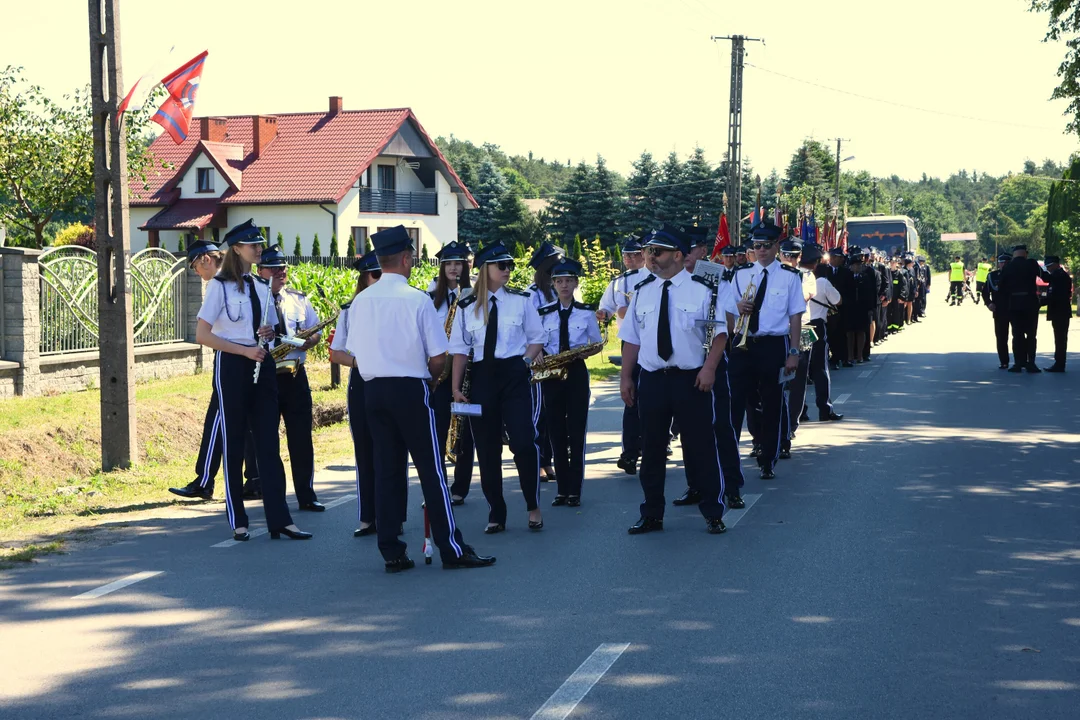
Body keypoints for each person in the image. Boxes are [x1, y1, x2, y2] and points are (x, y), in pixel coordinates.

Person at [346, 226, 494, 572]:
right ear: (406, 258)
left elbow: (351, 350)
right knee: (431, 469)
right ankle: (451, 548)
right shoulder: (417, 299)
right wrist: (429, 380)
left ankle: (392, 550)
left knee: (386, 470)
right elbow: (439, 356)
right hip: (411, 388)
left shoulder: (360, 301)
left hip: (372, 390)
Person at [193, 219, 309, 542]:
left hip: (262, 365)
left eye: (259, 244)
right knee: (233, 442)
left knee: (269, 445)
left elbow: (268, 330)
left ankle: (280, 520)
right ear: (237, 249)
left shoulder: (261, 287)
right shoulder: (219, 286)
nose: (259, 249)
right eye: (253, 245)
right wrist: (242, 351)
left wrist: (267, 335)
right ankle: (239, 519)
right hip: (232, 365)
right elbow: (203, 334)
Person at [619, 225, 729, 535]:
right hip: (653, 379)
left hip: (690, 379)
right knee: (652, 448)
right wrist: (626, 377)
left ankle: (713, 511)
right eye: (649, 251)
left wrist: (709, 369)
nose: (650, 257)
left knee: (701, 446)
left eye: (658, 251)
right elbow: (631, 340)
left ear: (677, 255)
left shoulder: (702, 289)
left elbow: (719, 334)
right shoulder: (642, 292)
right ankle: (652, 513)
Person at [450, 242, 546, 534]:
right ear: (485, 269)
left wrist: (526, 362)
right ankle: (497, 512)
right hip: (482, 377)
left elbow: (537, 337)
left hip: (514, 375)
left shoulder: (521, 300)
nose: (507, 270)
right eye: (501, 265)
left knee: (524, 442)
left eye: (509, 266)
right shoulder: (466, 306)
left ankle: (532, 504)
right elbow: (459, 350)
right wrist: (455, 388)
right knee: (487, 449)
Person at [169, 240, 261, 501]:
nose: (196, 272)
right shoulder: (242, 280)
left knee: (218, 419)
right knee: (246, 422)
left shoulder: (218, 285)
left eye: (195, 266)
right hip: (250, 358)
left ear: (206, 259)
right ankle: (254, 478)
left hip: (232, 360)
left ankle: (205, 479)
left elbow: (203, 334)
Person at [725, 222, 807, 480]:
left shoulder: (790, 276)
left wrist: (793, 352)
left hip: (774, 344)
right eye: (756, 246)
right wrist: (738, 306)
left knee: (772, 403)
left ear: (776, 247)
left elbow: (795, 317)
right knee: (735, 403)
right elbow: (728, 311)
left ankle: (768, 458)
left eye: (766, 246)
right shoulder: (740, 274)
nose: (760, 250)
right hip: (743, 342)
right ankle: (729, 460)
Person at [330, 253, 401, 538]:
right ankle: (367, 517)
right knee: (364, 449)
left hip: (394, 381)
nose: (377, 280)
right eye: (373, 275)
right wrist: (362, 363)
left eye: (381, 274)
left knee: (392, 450)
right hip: (362, 381)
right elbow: (336, 353)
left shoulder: (397, 306)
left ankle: (393, 517)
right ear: (363, 278)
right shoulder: (351, 310)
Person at [256, 245, 324, 512]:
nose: (280, 272)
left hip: (295, 374)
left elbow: (315, 331)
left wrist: (309, 341)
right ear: (260, 271)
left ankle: (306, 495)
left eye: (283, 267)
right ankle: (275, 498)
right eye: (273, 267)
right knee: (268, 441)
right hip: (266, 376)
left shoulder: (299, 299)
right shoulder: (253, 300)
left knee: (301, 439)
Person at [538, 259, 603, 506]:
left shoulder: (586, 312)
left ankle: (574, 490)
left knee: (576, 431)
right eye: (559, 281)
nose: (564, 285)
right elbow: (535, 341)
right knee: (555, 431)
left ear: (575, 283)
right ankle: (561, 489)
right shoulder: (543, 313)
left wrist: (582, 353)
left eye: (568, 281)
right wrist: (539, 353)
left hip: (575, 371)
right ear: (553, 284)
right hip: (552, 373)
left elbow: (595, 343)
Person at [427, 241, 477, 506]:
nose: (454, 268)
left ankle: (460, 487)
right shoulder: (429, 295)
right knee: (436, 431)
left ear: (466, 266)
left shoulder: (474, 293)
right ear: (442, 266)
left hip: (468, 370)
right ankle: (438, 487)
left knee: (465, 432)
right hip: (438, 373)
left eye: (458, 263)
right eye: (449, 263)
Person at [597, 236, 650, 475]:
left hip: (653, 342)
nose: (629, 259)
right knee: (631, 398)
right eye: (626, 255)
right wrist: (604, 313)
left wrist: (628, 310)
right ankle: (629, 453)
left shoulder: (655, 278)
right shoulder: (619, 282)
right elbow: (607, 307)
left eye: (634, 255)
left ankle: (655, 445)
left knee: (653, 399)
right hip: (629, 343)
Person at [526, 240, 562, 483]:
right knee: (538, 414)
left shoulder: (560, 289)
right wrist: (535, 351)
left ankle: (550, 461)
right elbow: (528, 327)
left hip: (559, 357)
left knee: (555, 414)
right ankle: (538, 462)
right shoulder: (531, 293)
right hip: (540, 358)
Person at [999, 245, 1045, 372]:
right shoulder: (1032, 264)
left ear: (1014, 255)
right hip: (1030, 304)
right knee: (1031, 335)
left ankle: (1018, 363)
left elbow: (1001, 287)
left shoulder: (1008, 267)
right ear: (1025, 254)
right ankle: (1031, 362)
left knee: (1017, 335)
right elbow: (1044, 276)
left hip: (1014, 304)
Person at [843, 248, 876, 365]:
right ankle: (850, 355)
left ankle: (860, 355)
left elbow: (870, 294)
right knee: (850, 333)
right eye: (856, 265)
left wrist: (870, 309)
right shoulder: (847, 278)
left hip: (862, 309)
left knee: (861, 332)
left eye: (860, 265)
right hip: (850, 309)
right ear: (851, 266)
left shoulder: (865, 278)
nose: (858, 267)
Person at [1042, 255, 1072, 372]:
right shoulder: (1057, 276)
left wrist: (1039, 303)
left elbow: (1054, 295)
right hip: (1059, 311)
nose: (1048, 269)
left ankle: (1060, 363)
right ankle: (1059, 362)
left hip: (1060, 311)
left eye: (1049, 266)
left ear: (1056, 264)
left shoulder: (1060, 276)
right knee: (1059, 338)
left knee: (1060, 338)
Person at [982, 253, 1012, 369]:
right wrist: (989, 303)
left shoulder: (1016, 275)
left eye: (1005, 262)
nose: (1003, 264)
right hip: (999, 310)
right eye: (1001, 262)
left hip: (1015, 309)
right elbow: (985, 292)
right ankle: (1004, 361)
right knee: (1001, 337)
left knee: (1018, 336)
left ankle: (1021, 361)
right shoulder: (992, 275)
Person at [826, 247, 853, 368]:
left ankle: (843, 358)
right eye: (839, 257)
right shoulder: (823, 270)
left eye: (842, 257)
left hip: (842, 308)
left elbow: (850, 291)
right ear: (832, 258)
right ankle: (831, 359)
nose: (842, 259)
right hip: (826, 309)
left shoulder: (846, 272)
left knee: (841, 334)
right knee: (829, 335)